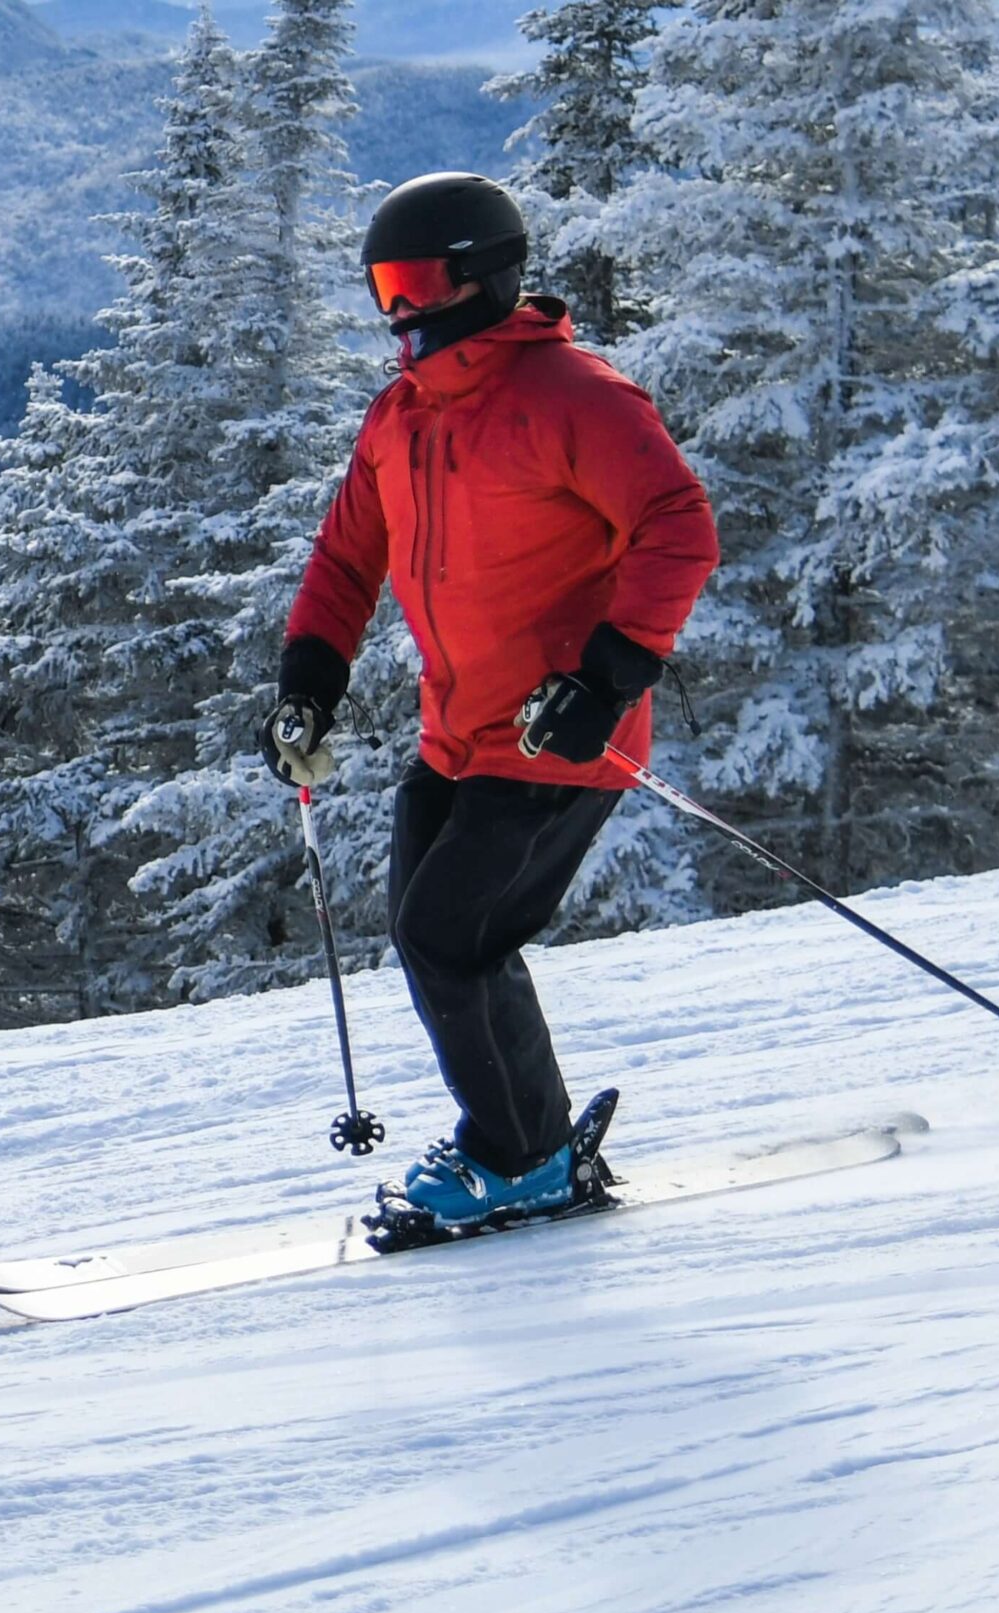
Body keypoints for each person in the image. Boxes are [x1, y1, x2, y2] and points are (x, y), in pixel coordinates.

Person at [260, 171, 718, 1238]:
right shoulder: (402, 416)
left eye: (415, 282)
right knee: (429, 934)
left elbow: (677, 525)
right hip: (459, 730)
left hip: (560, 733)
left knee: (450, 933)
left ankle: (521, 1158)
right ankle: (528, 1141)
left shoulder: (574, 396)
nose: (400, 311)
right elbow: (344, 558)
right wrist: (308, 688)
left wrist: (605, 678)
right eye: (383, 288)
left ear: (483, 275)